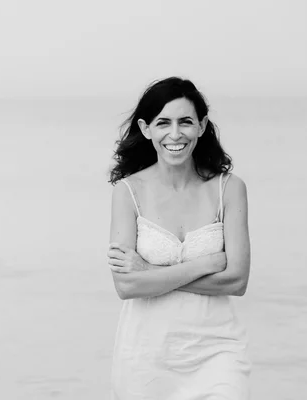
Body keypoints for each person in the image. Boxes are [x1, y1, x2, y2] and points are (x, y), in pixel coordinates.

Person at [107, 77, 251, 399]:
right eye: (163, 123)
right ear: (146, 129)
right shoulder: (128, 192)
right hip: (145, 356)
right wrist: (209, 264)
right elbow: (126, 286)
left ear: (201, 126)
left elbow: (237, 282)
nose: (175, 134)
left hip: (218, 350)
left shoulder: (229, 188)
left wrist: (150, 273)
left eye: (185, 122)